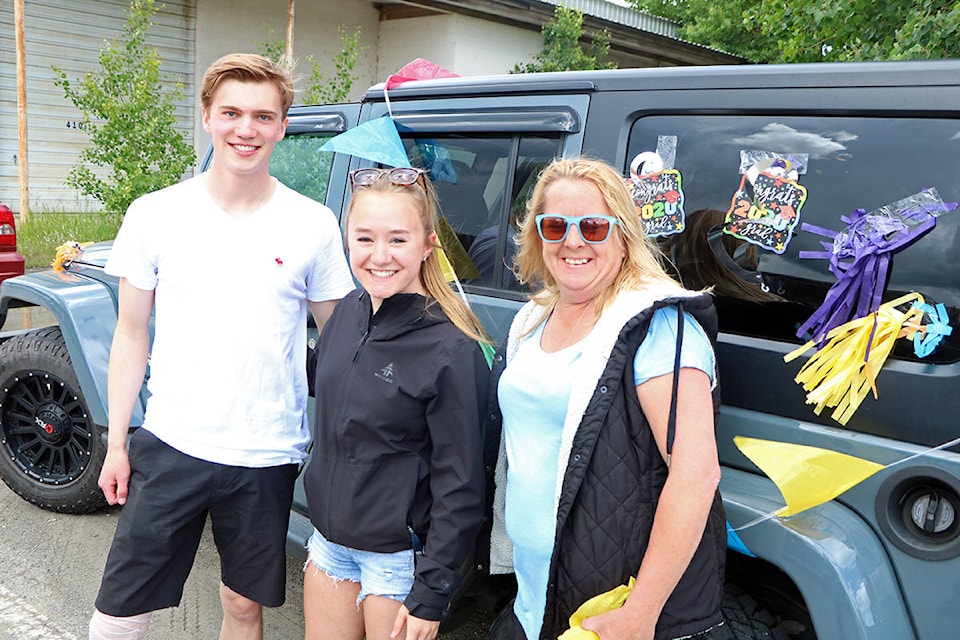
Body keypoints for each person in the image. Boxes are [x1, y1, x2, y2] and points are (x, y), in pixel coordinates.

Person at [89, 53, 355, 640]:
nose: (246, 129)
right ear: (207, 116)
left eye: (263, 116)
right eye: (231, 112)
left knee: (241, 604)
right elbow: (131, 333)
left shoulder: (312, 224)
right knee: (122, 607)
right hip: (172, 440)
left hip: (266, 452)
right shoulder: (156, 214)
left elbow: (341, 347)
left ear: (283, 126)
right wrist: (116, 444)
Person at [483, 158, 729, 640]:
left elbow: (696, 475)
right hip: (534, 596)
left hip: (607, 606)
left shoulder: (660, 328)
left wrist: (640, 612)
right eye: (555, 225)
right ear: (536, 235)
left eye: (593, 226)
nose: (573, 241)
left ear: (623, 235)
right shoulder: (533, 319)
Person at [302, 166, 491, 640]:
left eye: (397, 240)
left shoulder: (452, 349)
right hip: (329, 542)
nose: (379, 256)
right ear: (346, 239)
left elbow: (460, 484)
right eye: (364, 239)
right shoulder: (347, 311)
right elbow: (333, 390)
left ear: (428, 245)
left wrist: (433, 590)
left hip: (396, 560)